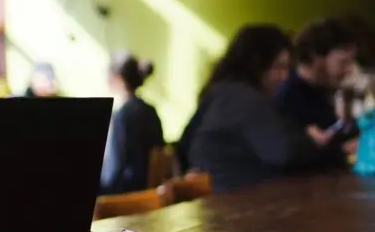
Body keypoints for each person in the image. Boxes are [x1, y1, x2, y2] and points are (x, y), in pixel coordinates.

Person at [180, 24, 331, 193]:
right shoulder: (246, 99)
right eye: (278, 67)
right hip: (236, 201)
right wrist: (311, 141)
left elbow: (184, 145)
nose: (284, 77)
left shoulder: (219, 92)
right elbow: (281, 153)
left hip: (217, 197)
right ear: (257, 64)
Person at [275, 18, 359, 168]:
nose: (349, 69)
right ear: (316, 56)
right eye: (343, 62)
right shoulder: (288, 96)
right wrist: (342, 150)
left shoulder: (329, 90)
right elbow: (292, 157)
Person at [99, 53, 164, 195]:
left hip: (128, 194)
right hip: (149, 193)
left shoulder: (122, 116)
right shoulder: (151, 111)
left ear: (116, 79)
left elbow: (114, 172)